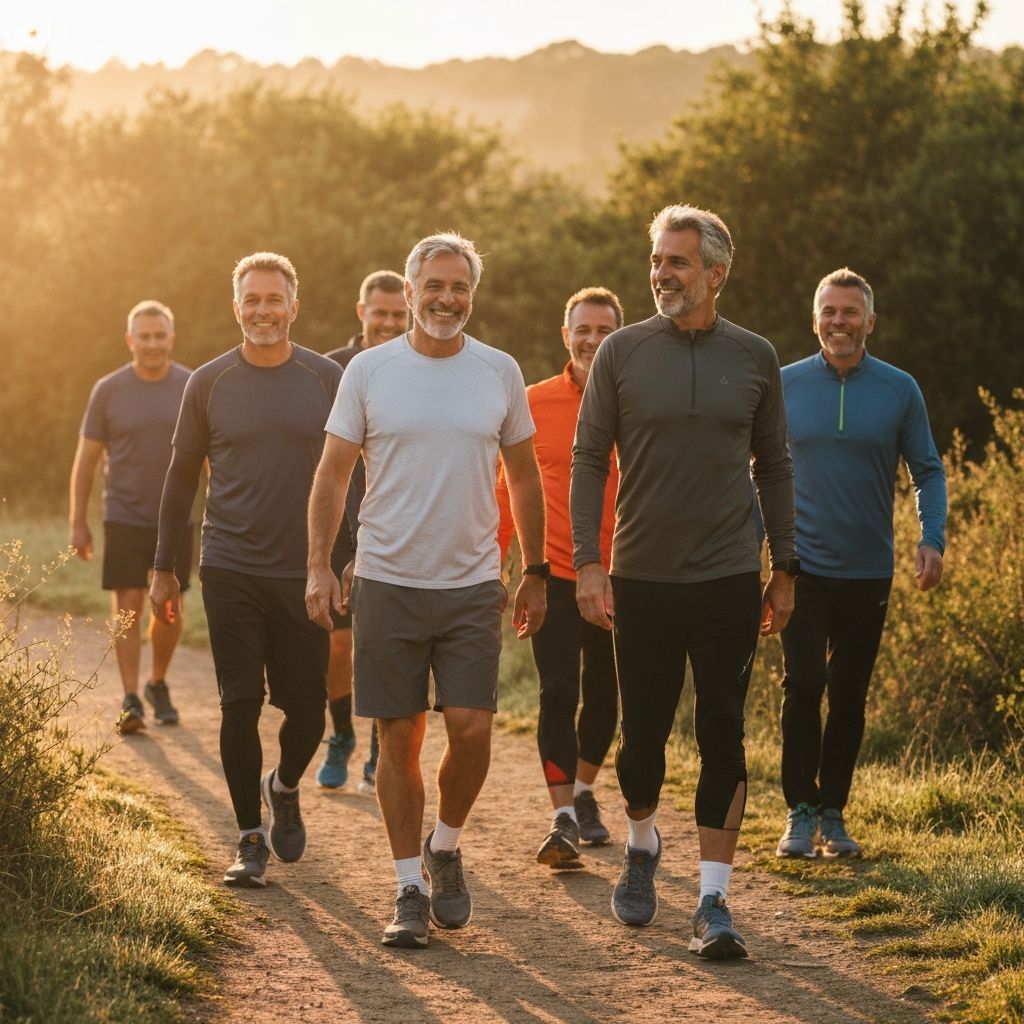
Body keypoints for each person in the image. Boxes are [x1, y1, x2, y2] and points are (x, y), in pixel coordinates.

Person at [306, 232, 547, 950]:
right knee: (400, 736)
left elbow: (526, 476)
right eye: (433, 286)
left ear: (472, 294)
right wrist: (321, 563)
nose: (447, 299)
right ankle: (409, 884)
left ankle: (445, 844)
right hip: (386, 581)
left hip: (473, 583)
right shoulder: (370, 372)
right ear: (407, 293)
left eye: (459, 287)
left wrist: (534, 570)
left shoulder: (498, 372)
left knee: (472, 728)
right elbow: (331, 474)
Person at [571, 204, 797, 959]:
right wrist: (589, 562)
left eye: (677, 262)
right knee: (641, 742)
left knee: (723, 730)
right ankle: (642, 842)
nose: (661, 273)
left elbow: (776, 464)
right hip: (641, 577)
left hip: (730, 576)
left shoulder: (756, 356)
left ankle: (713, 900)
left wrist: (785, 566)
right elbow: (588, 458)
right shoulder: (623, 353)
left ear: (715, 274)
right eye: (657, 260)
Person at [149, 252, 342, 890]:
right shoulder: (207, 382)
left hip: (306, 572)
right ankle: (249, 837)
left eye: (274, 299)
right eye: (251, 300)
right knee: (239, 701)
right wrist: (164, 566)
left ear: (294, 305)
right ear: (236, 307)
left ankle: (284, 787)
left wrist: (343, 557)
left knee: (309, 711)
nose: (263, 310)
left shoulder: (326, 378)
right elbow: (180, 478)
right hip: (228, 563)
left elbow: (354, 472)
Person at [775, 268, 946, 860]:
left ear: (869, 322)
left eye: (850, 313)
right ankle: (799, 809)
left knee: (849, 694)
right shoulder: (785, 384)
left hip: (869, 568)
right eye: (829, 312)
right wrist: (758, 558)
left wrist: (934, 537)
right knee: (803, 684)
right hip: (799, 565)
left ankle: (833, 813)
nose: (839, 322)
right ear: (815, 318)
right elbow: (756, 475)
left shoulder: (900, 389)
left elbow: (927, 469)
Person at [496, 286, 622, 869]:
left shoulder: (636, 401)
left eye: (604, 330)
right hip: (551, 574)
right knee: (557, 691)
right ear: (565, 335)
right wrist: (497, 561)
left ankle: (586, 788)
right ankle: (563, 816)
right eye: (583, 329)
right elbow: (505, 487)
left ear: (617, 337)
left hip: (623, 575)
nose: (592, 339)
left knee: (605, 694)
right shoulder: (532, 402)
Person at [69, 300, 191, 735]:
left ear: (171, 339)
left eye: (161, 336)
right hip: (123, 513)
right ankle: (130, 696)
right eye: (145, 336)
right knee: (129, 605)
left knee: (170, 607)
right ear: (130, 340)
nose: (153, 344)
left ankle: (157, 682)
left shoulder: (191, 385)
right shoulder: (108, 389)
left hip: (177, 518)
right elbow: (86, 461)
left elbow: (213, 458)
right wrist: (78, 522)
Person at [315, 270, 407, 792]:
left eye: (399, 314)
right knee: (337, 646)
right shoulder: (332, 370)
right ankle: (343, 734)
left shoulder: (421, 364)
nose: (390, 323)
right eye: (381, 314)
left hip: (396, 527)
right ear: (362, 313)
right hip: (340, 524)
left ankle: (380, 743)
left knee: (385, 644)